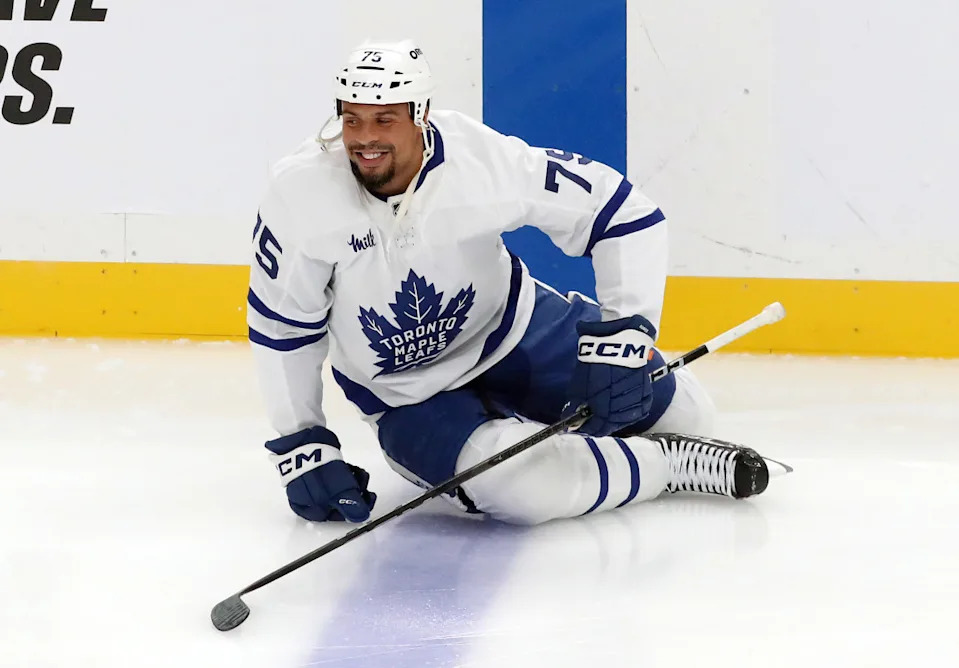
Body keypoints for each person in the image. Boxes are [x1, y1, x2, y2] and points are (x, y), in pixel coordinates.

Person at [247, 39, 778, 526]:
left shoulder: (479, 161)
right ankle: (665, 466)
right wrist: (303, 443)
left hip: (517, 332)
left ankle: (603, 452)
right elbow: (282, 327)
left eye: (384, 119)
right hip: (408, 393)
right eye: (352, 119)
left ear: (421, 114)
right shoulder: (300, 195)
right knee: (527, 489)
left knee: (689, 415)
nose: (365, 139)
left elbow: (622, 212)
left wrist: (624, 340)